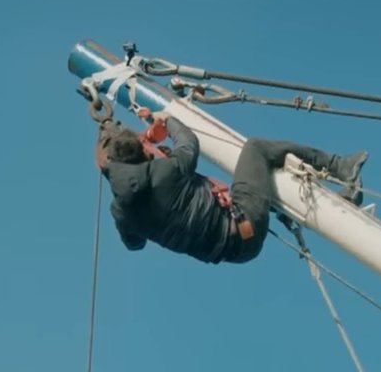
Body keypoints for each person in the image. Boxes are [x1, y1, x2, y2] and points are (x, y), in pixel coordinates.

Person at [93, 111, 367, 265]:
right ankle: (340, 166)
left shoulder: (122, 213)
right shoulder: (165, 172)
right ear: (144, 153)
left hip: (232, 251)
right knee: (256, 149)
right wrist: (166, 120)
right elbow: (188, 143)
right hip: (243, 221)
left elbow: (135, 245)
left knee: (258, 176)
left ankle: (321, 206)